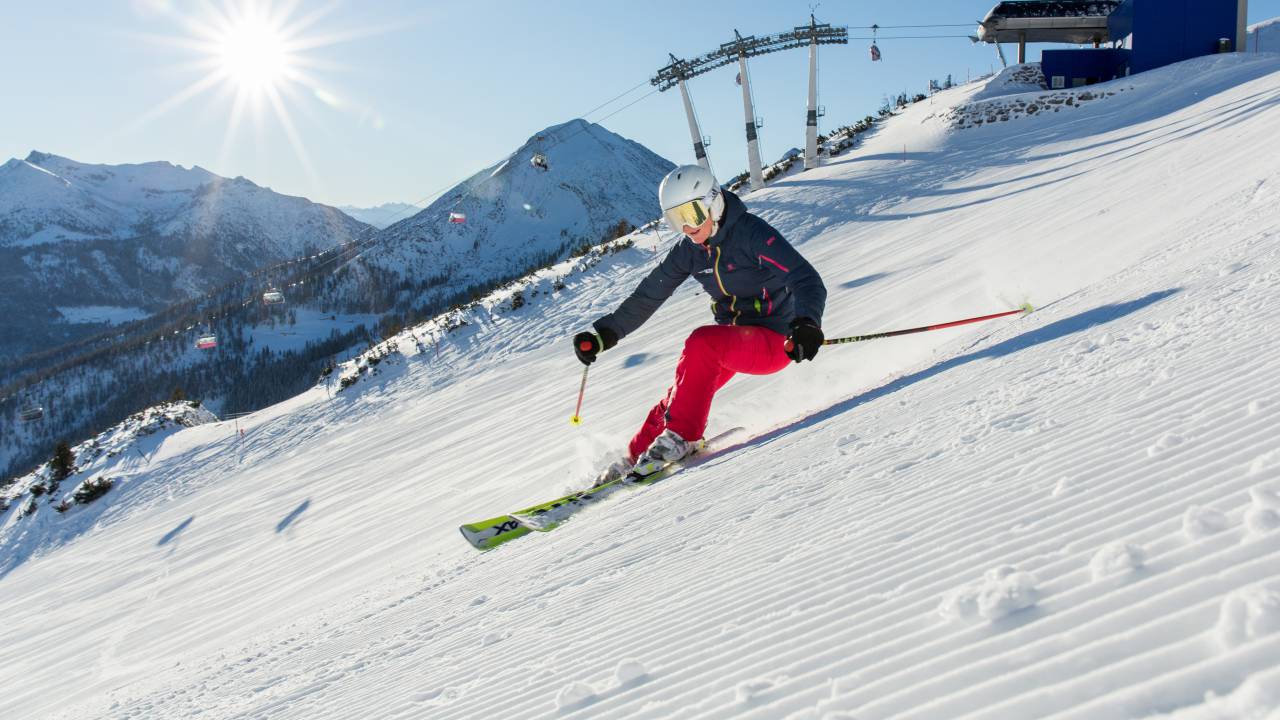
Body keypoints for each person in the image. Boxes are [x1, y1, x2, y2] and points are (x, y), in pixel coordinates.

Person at [573, 165, 827, 483]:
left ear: (714, 202)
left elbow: (806, 279)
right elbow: (650, 294)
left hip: (776, 339)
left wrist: (806, 324)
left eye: (691, 215)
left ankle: (683, 438)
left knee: (701, 343)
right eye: (674, 220)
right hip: (731, 342)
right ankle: (633, 458)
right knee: (678, 398)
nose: (686, 228)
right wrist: (605, 334)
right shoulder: (690, 252)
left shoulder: (752, 234)